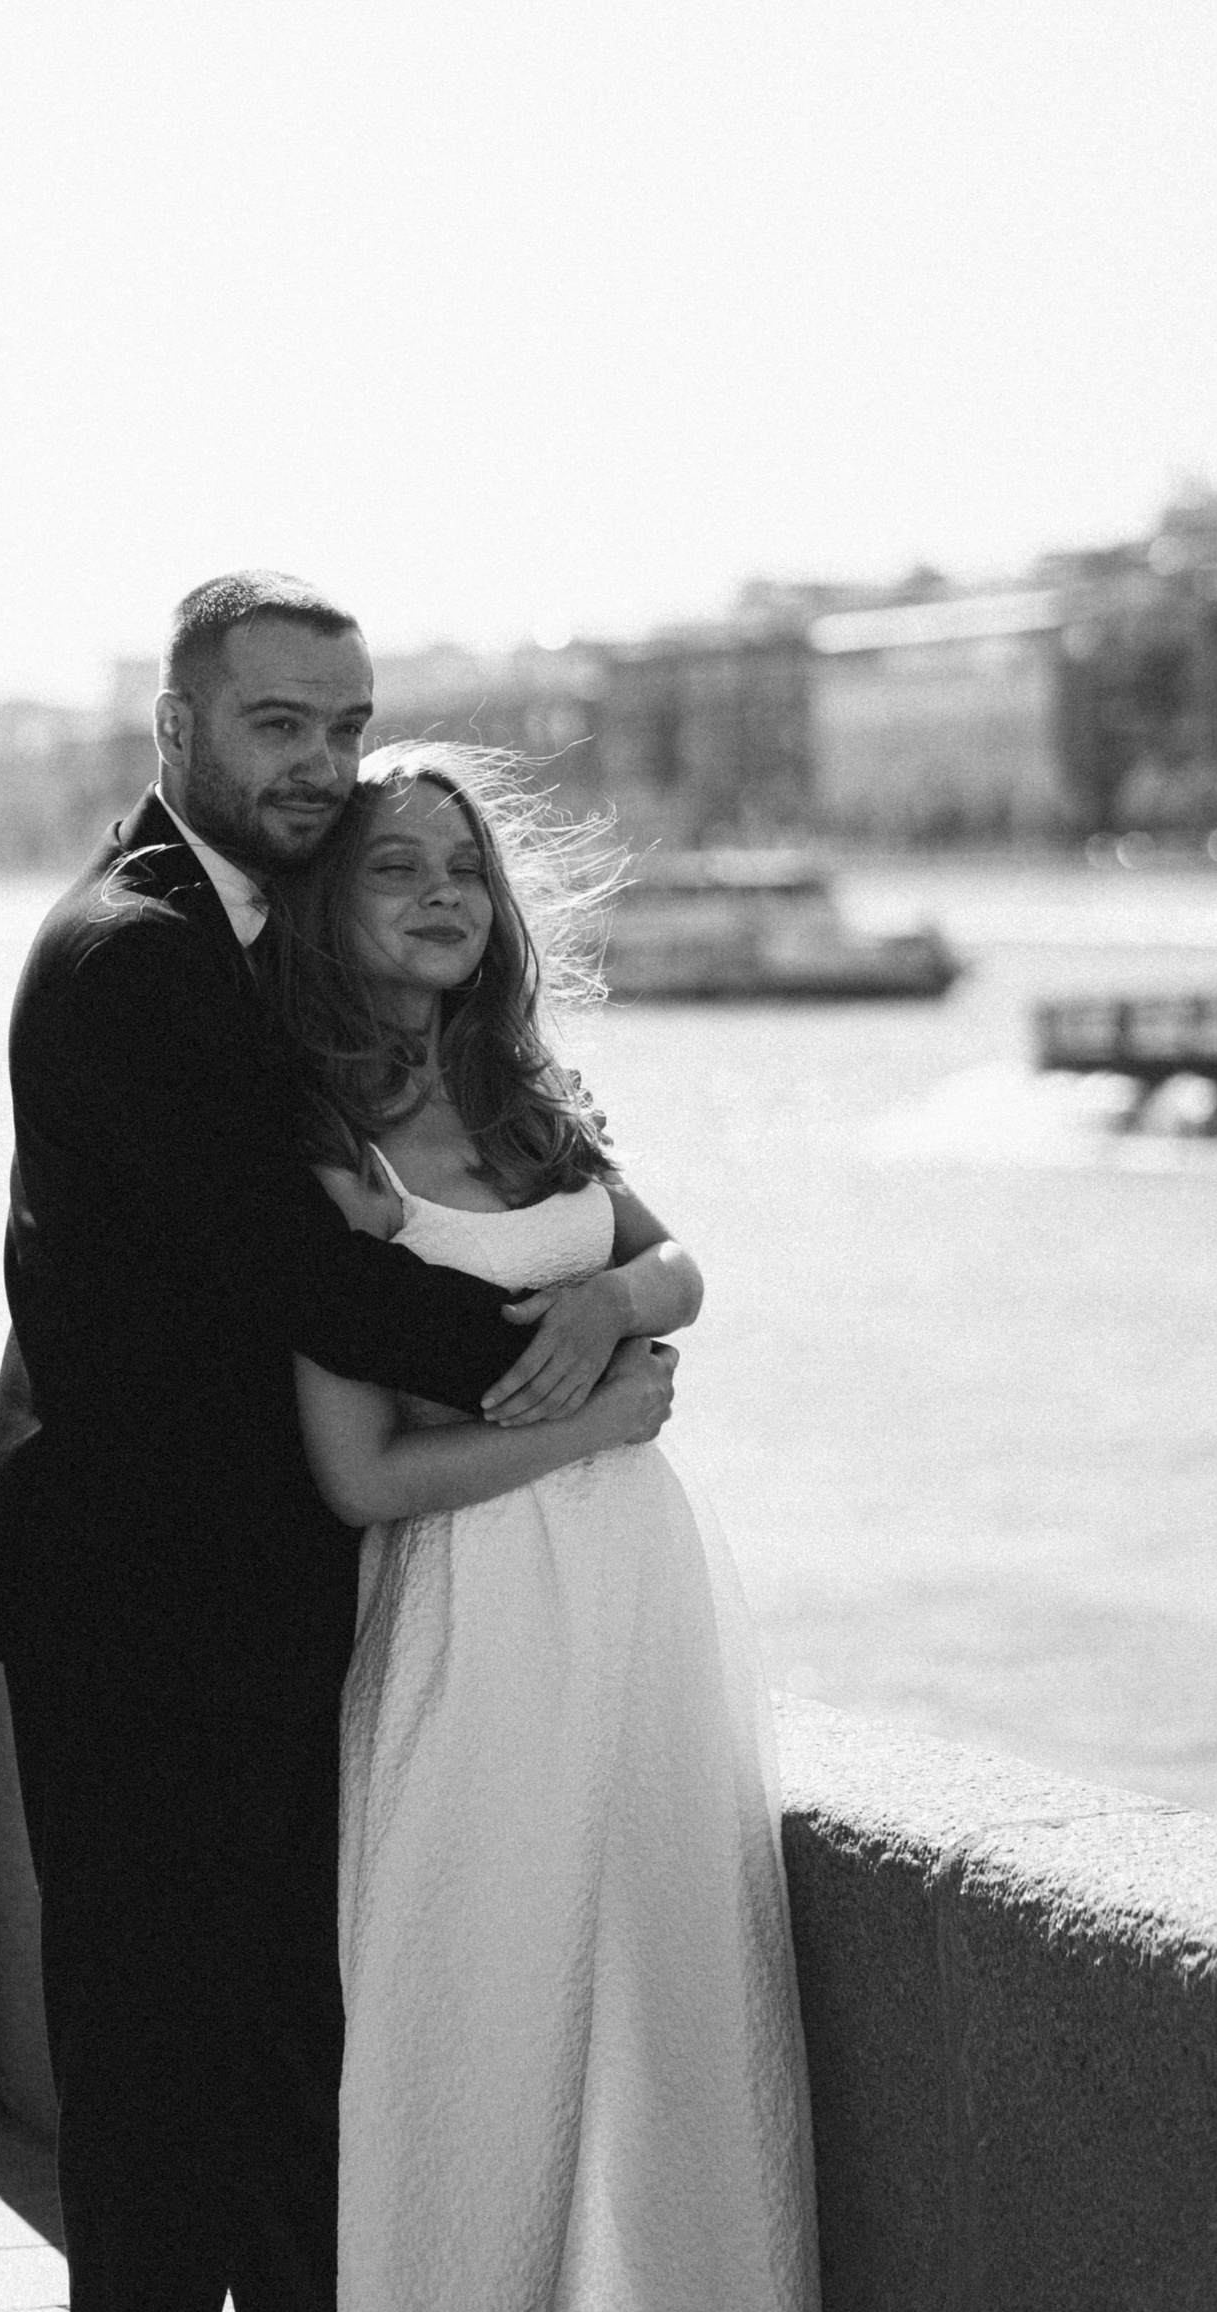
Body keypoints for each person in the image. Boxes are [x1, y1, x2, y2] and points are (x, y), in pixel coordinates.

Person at [0, 573, 674, 2312]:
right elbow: (295, 1275)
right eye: (277, 723)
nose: (319, 763)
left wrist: (612, 1297)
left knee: (289, 2080)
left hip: (257, 1596)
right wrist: (572, 1359)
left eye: (345, 726)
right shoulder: (137, 954)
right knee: (160, 2090)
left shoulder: (252, 940)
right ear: (176, 727)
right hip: (148, 1610)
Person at [260, 741, 820, 2312]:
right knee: (479, 2008)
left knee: (673, 1995)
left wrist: (609, 1300)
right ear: (327, 902)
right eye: (396, 866)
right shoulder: (321, 1145)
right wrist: (591, 1420)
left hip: (642, 1595)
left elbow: (677, 1268)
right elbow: (360, 1476)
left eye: (465, 869)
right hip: (473, 1606)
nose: (442, 894)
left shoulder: (526, 1098)